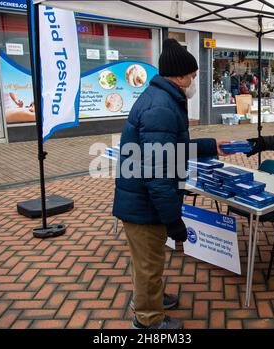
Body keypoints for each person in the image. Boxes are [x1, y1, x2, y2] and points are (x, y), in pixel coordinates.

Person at [112, 38, 229, 330]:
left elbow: (174, 148)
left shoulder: (162, 99)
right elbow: (159, 172)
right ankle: (148, 320)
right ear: (178, 76)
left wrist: (212, 145)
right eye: (191, 76)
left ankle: (151, 298)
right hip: (144, 203)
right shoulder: (162, 107)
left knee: (147, 261)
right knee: (149, 263)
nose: (193, 81)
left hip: (141, 198)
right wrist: (173, 219)